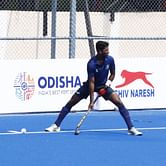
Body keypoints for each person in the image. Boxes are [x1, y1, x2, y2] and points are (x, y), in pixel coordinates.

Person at [45, 41, 142, 136]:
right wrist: (91, 102)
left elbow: (113, 73)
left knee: (118, 102)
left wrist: (108, 83)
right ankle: (56, 125)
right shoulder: (91, 64)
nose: (108, 52)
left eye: (108, 50)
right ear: (99, 51)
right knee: (71, 102)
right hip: (89, 86)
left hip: (103, 86)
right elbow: (91, 83)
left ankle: (131, 128)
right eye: (106, 50)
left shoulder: (110, 60)